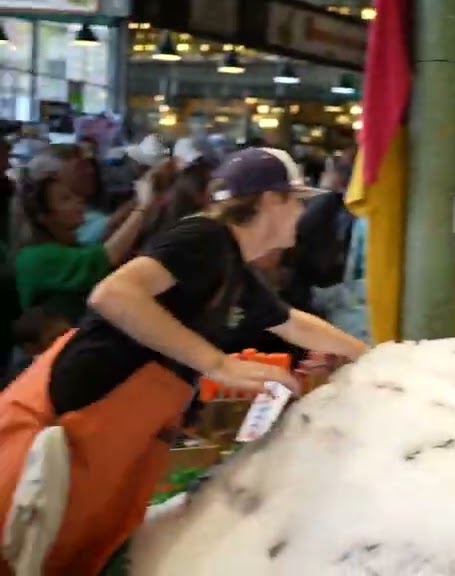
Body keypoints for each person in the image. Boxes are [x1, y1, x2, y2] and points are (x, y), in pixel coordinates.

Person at [0, 147, 368, 575]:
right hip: (75, 416)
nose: (301, 216)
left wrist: (378, 358)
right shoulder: (205, 237)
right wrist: (217, 363)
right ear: (271, 200)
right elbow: (114, 294)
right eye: (297, 201)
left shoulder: (232, 266)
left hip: (114, 431)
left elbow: (293, 323)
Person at [13, 147, 159, 324]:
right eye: (65, 199)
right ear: (44, 217)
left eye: (73, 196)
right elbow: (106, 256)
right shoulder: (35, 258)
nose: (78, 201)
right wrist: (143, 205)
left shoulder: (71, 245)